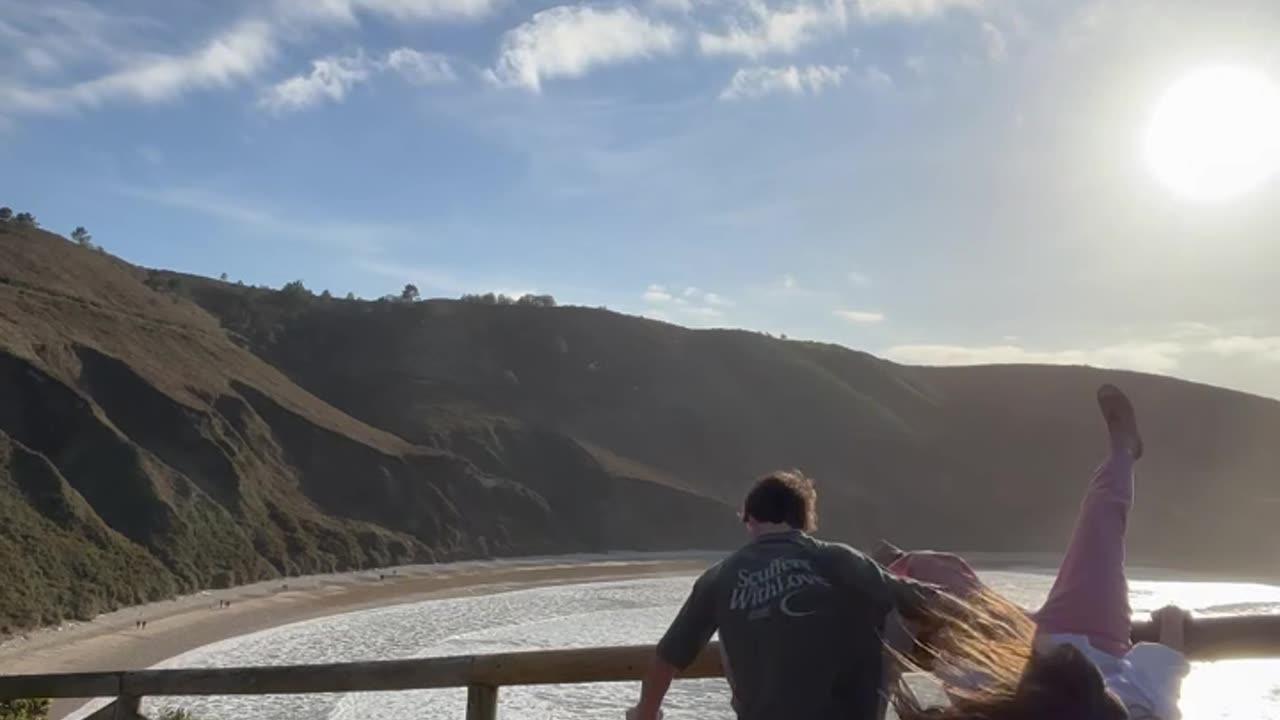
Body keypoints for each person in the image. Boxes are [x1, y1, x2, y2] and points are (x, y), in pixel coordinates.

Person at [887, 384, 1192, 720]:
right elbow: (1168, 662)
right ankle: (1124, 450)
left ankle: (892, 562)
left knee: (939, 577)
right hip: (1092, 635)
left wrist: (1173, 619)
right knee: (1102, 519)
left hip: (1015, 653)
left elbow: (922, 686)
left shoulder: (989, 695)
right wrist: (1174, 620)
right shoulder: (1145, 710)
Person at [626, 469, 958, 720]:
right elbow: (933, 603)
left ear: (750, 519)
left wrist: (645, 713)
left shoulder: (720, 577)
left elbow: (666, 661)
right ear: (805, 520)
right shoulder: (840, 559)